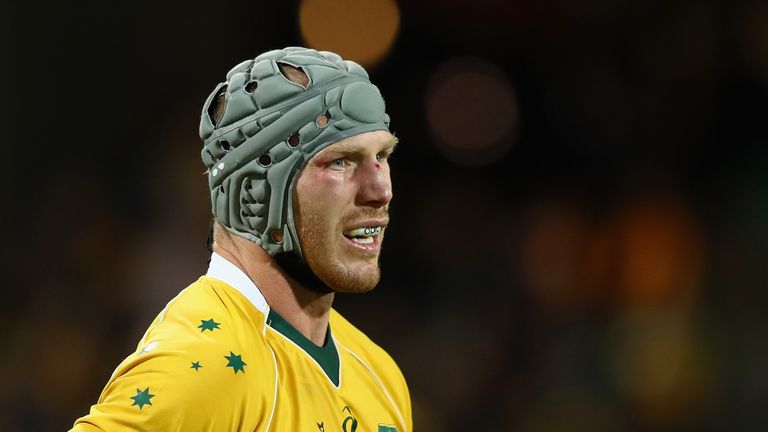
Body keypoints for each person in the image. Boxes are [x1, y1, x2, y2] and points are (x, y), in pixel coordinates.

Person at [71, 47, 411, 432]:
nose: (380, 189)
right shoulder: (203, 363)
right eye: (340, 161)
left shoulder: (380, 374)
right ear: (256, 195)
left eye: (382, 156)